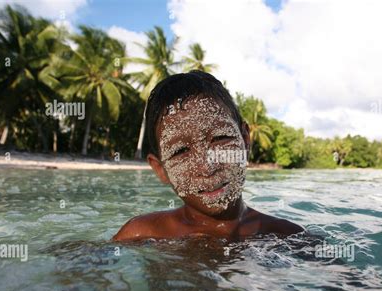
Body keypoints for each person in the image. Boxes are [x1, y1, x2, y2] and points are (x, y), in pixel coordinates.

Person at [113, 71, 304, 242]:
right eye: (181, 151)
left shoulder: (287, 237)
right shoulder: (142, 233)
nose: (207, 167)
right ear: (160, 169)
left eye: (220, 138)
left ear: (245, 141)